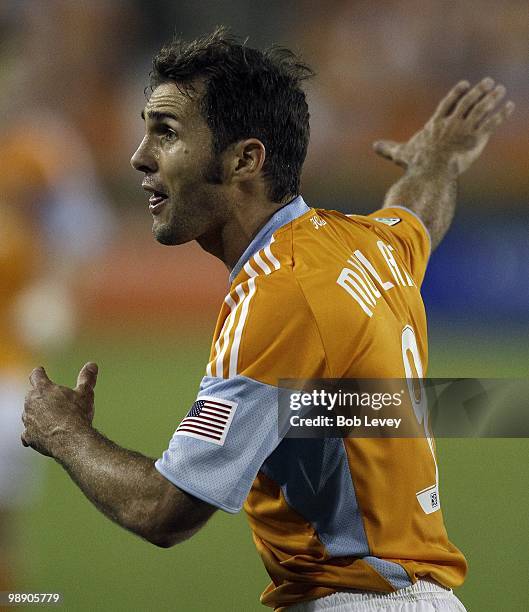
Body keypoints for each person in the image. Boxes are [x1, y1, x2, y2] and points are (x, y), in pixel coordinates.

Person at [21, 28, 513, 611]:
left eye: (167, 133)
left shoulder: (281, 297)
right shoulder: (363, 243)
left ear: (246, 159)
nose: (139, 156)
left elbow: (164, 510)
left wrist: (64, 432)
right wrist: (437, 160)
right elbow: (417, 211)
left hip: (357, 598)